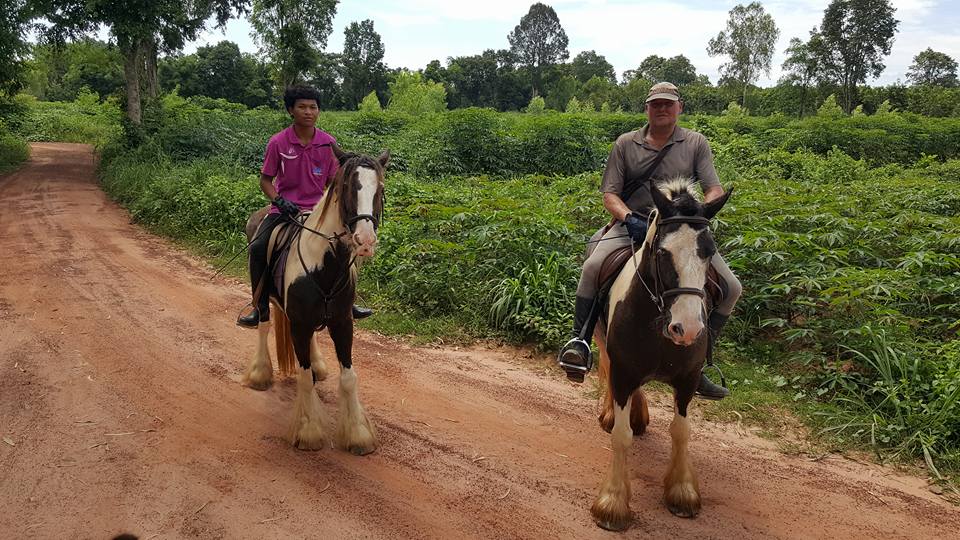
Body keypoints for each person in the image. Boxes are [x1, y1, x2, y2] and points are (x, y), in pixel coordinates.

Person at [556, 82, 741, 399]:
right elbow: (610, 194)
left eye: (668, 104)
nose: (662, 109)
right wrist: (629, 218)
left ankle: (701, 362)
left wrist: (704, 209)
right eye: (656, 104)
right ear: (647, 108)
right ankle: (580, 342)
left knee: (732, 288)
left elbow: (713, 187)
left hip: (680, 228)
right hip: (633, 223)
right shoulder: (625, 144)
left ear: (679, 108)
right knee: (592, 267)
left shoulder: (696, 142)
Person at [237, 85, 372, 328]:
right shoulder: (278, 142)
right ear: (291, 110)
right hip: (284, 212)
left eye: (313, 107)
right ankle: (259, 307)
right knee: (258, 247)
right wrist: (279, 200)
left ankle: (348, 301)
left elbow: (333, 183)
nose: (308, 112)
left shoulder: (328, 143)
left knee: (347, 245)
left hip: (318, 211)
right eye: (302, 107)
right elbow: (265, 181)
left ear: (318, 110)